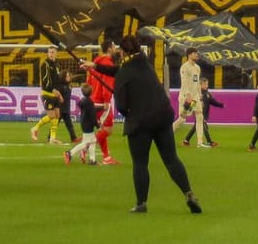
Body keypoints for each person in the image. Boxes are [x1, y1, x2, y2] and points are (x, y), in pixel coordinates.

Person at [110, 34, 201, 214]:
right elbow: (120, 69)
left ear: (123, 51)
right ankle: (189, 193)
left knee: (140, 163)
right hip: (162, 115)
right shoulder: (145, 63)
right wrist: (96, 67)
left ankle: (141, 203)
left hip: (140, 121)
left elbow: (121, 104)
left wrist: (129, 112)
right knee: (171, 159)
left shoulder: (123, 74)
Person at [85, 37, 119, 165]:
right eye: (114, 46)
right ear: (110, 49)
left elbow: (89, 81)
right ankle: (85, 147)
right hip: (102, 100)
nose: (116, 49)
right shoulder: (108, 64)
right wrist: (106, 100)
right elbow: (107, 84)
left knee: (103, 128)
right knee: (108, 130)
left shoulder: (96, 62)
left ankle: (106, 157)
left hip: (93, 99)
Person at [35, 46, 69, 144]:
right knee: (51, 116)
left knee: (57, 116)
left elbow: (57, 81)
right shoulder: (45, 64)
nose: (51, 54)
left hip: (55, 94)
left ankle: (52, 139)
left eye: (53, 52)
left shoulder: (57, 65)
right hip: (48, 93)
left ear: (56, 53)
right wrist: (53, 89)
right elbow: (46, 80)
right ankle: (35, 128)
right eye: (49, 52)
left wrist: (59, 94)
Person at [175, 49, 208, 147]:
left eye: (197, 53)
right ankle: (166, 136)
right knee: (182, 119)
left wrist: (200, 97)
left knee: (200, 116)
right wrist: (188, 95)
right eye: (194, 53)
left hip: (195, 98)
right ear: (189, 55)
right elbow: (184, 82)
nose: (196, 55)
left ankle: (200, 142)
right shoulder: (185, 67)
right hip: (186, 97)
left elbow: (197, 83)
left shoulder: (197, 68)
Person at [67, 85, 102, 164]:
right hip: (88, 125)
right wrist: (98, 125)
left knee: (93, 141)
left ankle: (92, 160)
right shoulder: (90, 102)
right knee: (85, 143)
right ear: (91, 92)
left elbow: (89, 110)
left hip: (84, 123)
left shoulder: (83, 101)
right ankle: (70, 153)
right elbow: (93, 116)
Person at [183, 79, 221, 148]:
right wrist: (190, 111)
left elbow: (213, 102)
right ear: (200, 85)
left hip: (204, 115)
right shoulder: (196, 94)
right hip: (199, 114)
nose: (207, 86)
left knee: (195, 128)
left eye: (207, 84)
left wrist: (221, 105)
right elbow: (193, 104)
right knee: (204, 127)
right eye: (205, 84)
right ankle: (209, 142)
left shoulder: (207, 94)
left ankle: (186, 141)